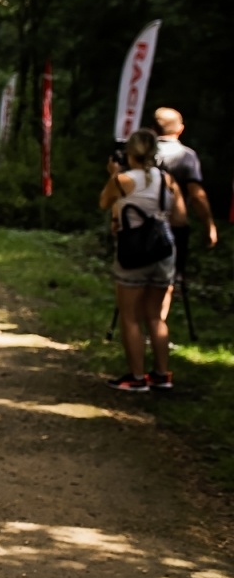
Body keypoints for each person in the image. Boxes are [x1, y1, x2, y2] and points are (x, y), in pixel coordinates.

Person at [100, 128, 188, 392]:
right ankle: (162, 374)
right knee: (156, 317)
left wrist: (113, 174)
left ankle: (136, 377)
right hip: (163, 252)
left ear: (130, 153)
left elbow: (104, 202)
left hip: (133, 253)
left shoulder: (123, 180)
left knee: (130, 316)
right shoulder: (168, 180)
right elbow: (180, 219)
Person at [153, 108, 219, 329]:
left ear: (153, 128)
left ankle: (138, 324)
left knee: (139, 278)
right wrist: (208, 224)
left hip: (138, 224)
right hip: (174, 225)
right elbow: (197, 194)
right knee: (167, 280)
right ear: (180, 129)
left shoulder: (140, 152)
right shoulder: (186, 156)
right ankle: (157, 326)